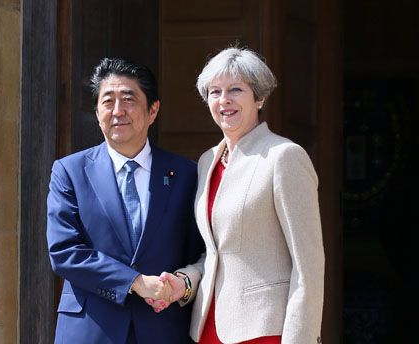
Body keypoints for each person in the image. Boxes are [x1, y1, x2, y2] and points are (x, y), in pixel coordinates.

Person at [158, 46, 325, 343]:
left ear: (259, 97)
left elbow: (308, 266)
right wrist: (186, 280)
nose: (224, 101)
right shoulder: (207, 161)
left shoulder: (283, 156)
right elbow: (218, 252)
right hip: (207, 329)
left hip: (264, 331)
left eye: (235, 90)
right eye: (214, 92)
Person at [46, 57, 203, 344]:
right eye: (108, 101)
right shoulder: (69, 171)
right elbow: (65, 252)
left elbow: (198, 253)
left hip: (164, 328)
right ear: (96, 112)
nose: (118, 111)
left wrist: (180, 284)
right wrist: (135, 283)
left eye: (129, 99)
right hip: (90, 330)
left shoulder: (185, 174)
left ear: (153, 110)